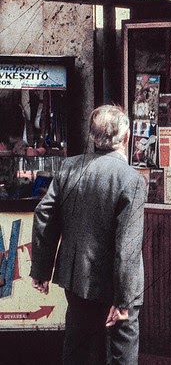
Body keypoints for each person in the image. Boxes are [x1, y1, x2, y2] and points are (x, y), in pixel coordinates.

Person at [30, 105, 147, 364]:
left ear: (93, 135)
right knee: (121, 355)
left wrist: (41, 269)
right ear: (126, 138)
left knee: (77, 350)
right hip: (117, 286)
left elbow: (44, 216)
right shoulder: (131, 179)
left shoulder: (68, 167)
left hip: (77, 279)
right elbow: (127, 245)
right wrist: (124, 300)